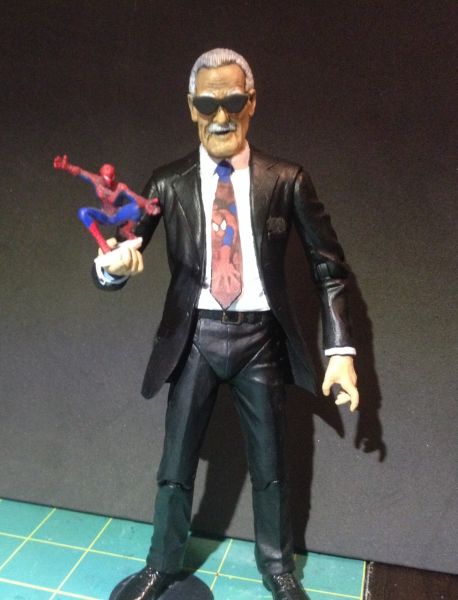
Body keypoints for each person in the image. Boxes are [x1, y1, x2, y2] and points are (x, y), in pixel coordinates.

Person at [96, 48, 359, 600]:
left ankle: (278, 569)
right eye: (208, 104)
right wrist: (112, 265)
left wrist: (340, 352)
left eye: (234, 102)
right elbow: (123, 246)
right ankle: (161, 564)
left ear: (252, 103)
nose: (221, 116)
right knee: (175, 463)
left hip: (260, 340)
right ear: (191, 108)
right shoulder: (167, 183)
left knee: (271, 464)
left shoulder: (285, 179)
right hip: (193, 338)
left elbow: (329, 267)